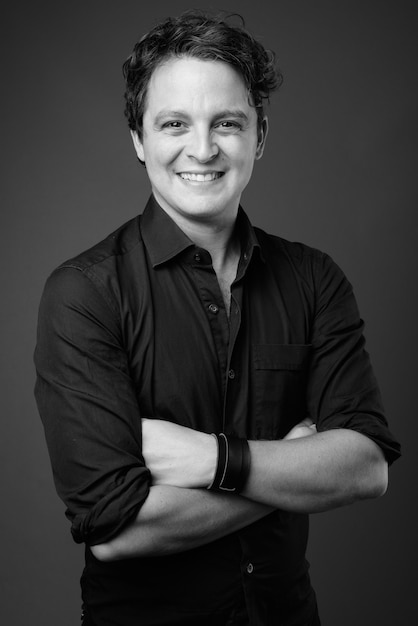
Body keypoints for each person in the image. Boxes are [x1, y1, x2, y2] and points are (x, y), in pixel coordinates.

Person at [34, 10, 401, 626]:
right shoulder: (83, 294)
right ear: (138, 139)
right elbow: (115, 532)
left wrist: (213, 460)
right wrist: (291, 466)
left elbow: (365, 467)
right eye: (174, 123)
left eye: (226, 123)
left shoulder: (314, 278)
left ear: (258, 136)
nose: (201, 149)